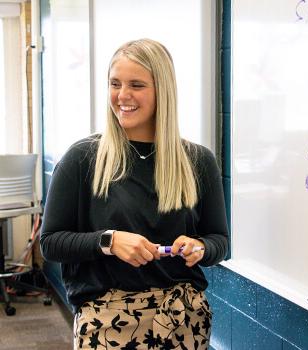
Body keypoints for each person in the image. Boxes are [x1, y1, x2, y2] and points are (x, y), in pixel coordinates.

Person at [40, 38, 229, 350]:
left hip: (184, 322)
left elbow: (219, 241)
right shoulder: (82, 158)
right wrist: (109, 241)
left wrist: (201, 247)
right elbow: (51, 243)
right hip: (108, 324)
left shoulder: (198, 161)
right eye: (115, 83)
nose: (122, 96)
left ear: (162, 91)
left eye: (136, 85)